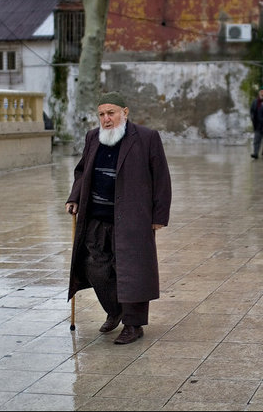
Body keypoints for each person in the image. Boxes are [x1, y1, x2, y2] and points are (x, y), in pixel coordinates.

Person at [65, 91, 172, 345]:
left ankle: (133, 325)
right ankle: (115, 309)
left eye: (111, 113)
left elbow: (161, 179)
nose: (106, 119)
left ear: (124, 112)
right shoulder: (93, 137)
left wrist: (159, 216)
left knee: (132, 270)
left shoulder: (146, 138)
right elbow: (82, 171)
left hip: (133, 219)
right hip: (96, 218)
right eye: (101, 114)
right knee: (94, 265)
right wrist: (75, 197)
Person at [249, 85, 263, 159]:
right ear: (259, 93)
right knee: (256, 140)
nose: (262, 93)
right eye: (261, 92)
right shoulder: (255, 102)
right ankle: (255, 153)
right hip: (258, 125)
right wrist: (252, 118)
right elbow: (252, 111)